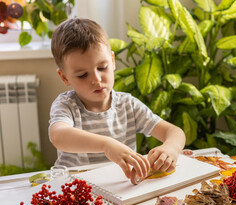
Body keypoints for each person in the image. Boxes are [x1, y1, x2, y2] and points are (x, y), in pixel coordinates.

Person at [49, 18, 186, 180]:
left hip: (118, 187)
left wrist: (171, 148)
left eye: (102, 67)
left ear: (112, 61)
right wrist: (106, 144)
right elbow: (58, 135)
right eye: (82, 75)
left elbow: (174, 132)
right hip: (76, 188)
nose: (97, 79)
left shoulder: (128, 104)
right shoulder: (66, 105)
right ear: (64, 77)